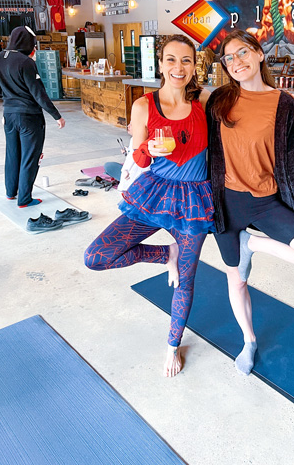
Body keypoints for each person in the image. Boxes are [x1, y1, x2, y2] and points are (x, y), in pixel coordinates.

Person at [206, 30, 294, 376]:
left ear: (260, 54)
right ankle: (249, 341)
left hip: (265, 202)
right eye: (229, 58)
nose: (237, 62)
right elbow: (198, 149)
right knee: (236, 281)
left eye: (243, 52)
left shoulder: (284, 103)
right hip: (225, 203)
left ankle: (254, 244)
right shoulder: (218, 100)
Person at [84, 35, 214, 377]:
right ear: (160, 64)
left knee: (186, 281)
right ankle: (164, 255)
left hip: (194, 201)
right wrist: (149, 152)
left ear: (194, 66)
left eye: (186, 61)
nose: (178, 67)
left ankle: (173, 345)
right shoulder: (144, 106)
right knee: (95, 257)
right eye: (171, 60)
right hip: (154, 193)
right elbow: (137, 155)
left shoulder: (205, 101)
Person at [0, 26, 65, 207]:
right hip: (28, 116)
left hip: (8, 114)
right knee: (30, 156)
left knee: (12, 155)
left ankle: (11, 192)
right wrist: (56, 116)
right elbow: (38, 93)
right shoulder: (25, 62)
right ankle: (25, 199)